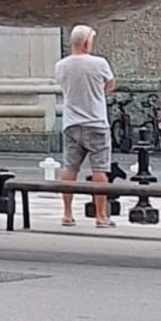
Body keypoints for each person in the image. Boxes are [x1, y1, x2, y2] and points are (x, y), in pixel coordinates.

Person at [54, 25, 115, 228]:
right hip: (96, 122)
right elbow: (111, 84)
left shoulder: (61, 65)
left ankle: (67, 213)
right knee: (100, 169)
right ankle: (101, 215)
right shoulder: (99, 63)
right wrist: (97, 92)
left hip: (71, 122)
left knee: (70, 167)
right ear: (87, 43)